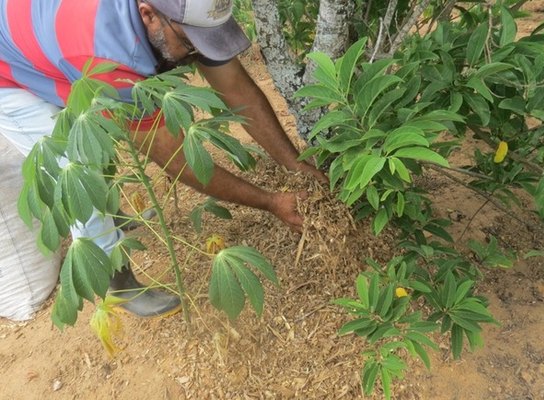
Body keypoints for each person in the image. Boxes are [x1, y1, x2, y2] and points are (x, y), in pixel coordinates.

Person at [0, 0, 325, 318]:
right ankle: (119, 280)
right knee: (75, 168)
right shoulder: (108, 55)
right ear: (148, 15)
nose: (197, 55)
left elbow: (236, 88)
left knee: (96, 134)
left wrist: (296, 165)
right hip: (9, 72)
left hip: (49, 35)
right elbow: (176, 157)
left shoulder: (179, 14)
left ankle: (116, 216)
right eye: (190, 43)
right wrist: (270, 202)